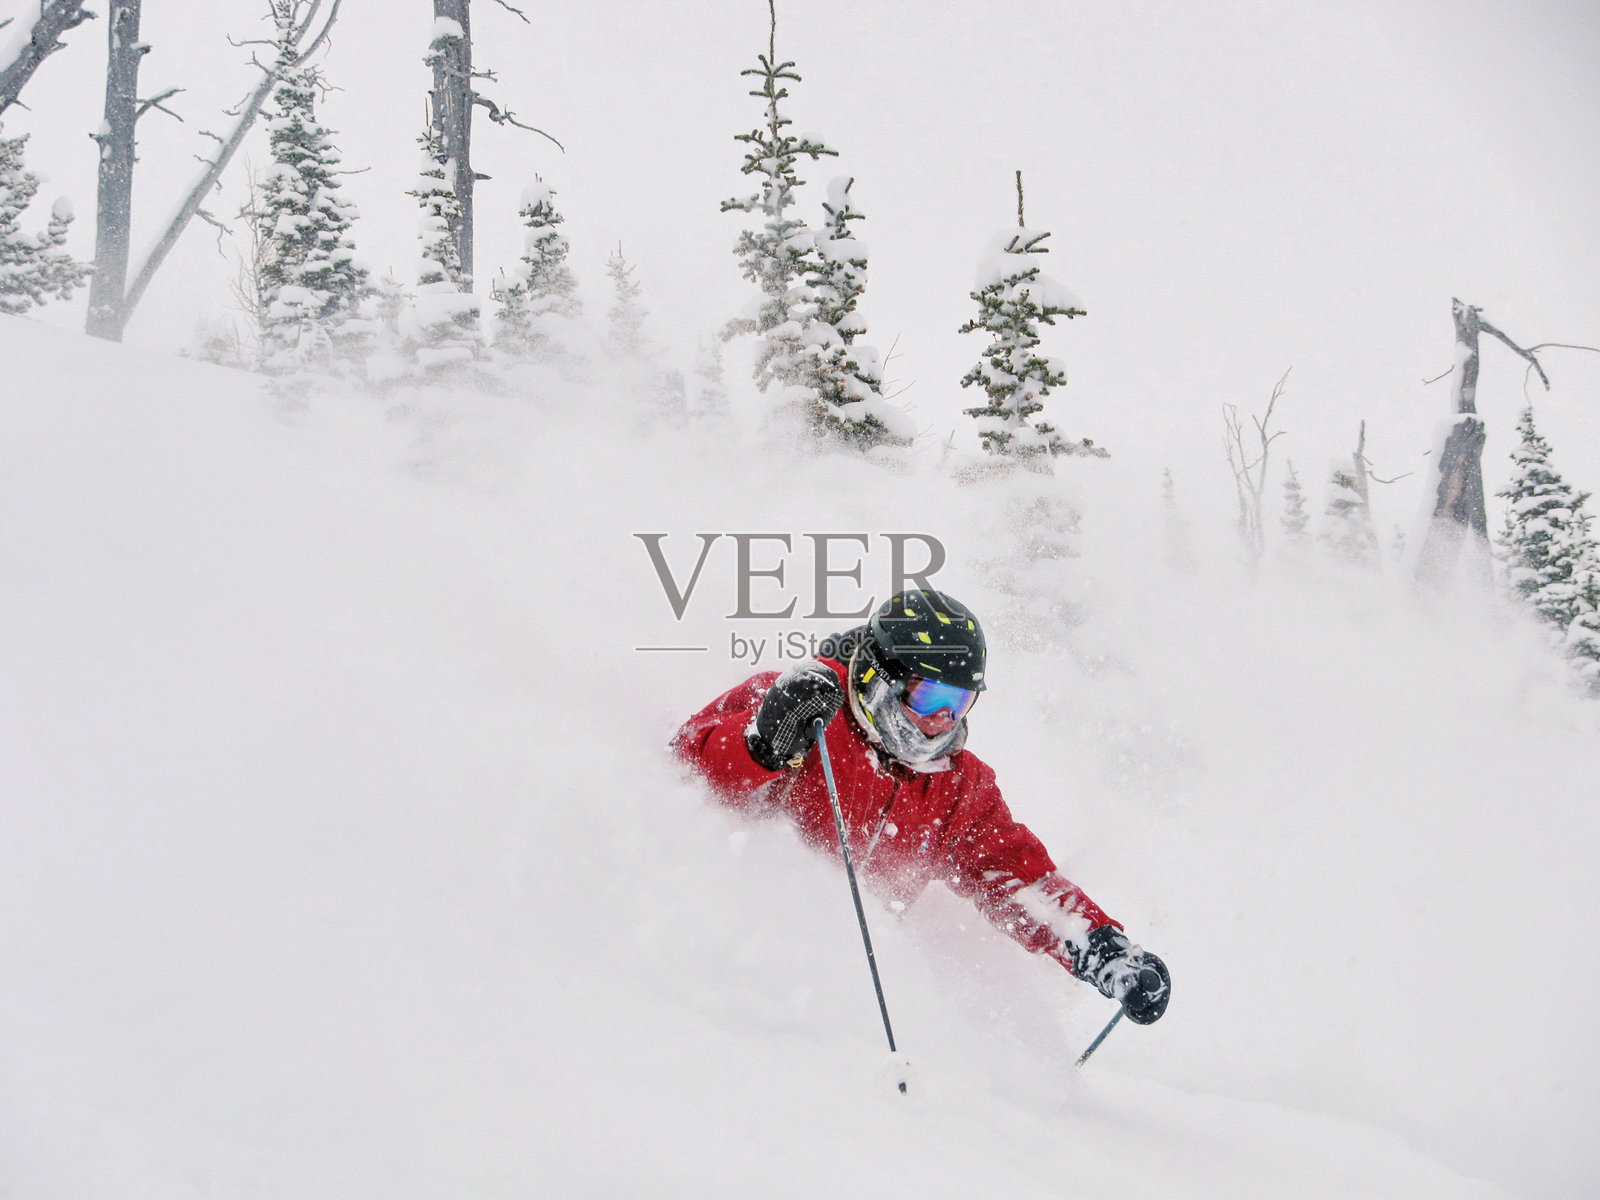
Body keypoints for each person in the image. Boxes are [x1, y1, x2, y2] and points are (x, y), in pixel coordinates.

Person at [671, 587, 1170, 1026]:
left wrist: (1101, 949)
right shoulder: (804, 704)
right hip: (729, 962)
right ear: (880, 676)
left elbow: (1015, 875)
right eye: (930, 696)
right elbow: (687, 762)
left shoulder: (956, 784)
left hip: (836, 995)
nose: (943, 719)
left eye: (961, 701)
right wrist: (765, 744)